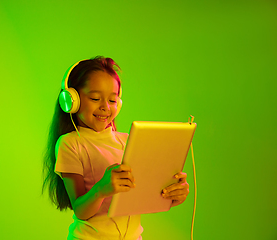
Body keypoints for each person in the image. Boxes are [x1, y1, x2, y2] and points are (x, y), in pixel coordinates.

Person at [42, 56, 190, 239]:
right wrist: (102, 189)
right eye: (95, 98)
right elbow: (81, 210)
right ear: (72, 100)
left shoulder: (128, 141)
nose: (105, 107)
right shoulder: (70, 144)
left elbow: (141, 199)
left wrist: (173, 195)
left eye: (112, 101)